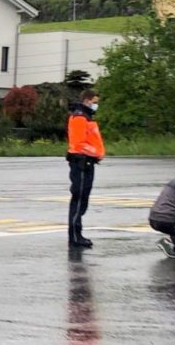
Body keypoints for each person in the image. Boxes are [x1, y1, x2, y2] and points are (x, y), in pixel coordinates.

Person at [66, 89, 104, 248]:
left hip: (87, 163)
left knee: (83, 199)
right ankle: (75, 235)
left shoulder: (87, 117)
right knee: (79, 199)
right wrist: (97, 153)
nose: (96, 105)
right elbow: (78, 144)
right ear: (87, 100)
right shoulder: (80, 117)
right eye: (95, 102)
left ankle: (77, 233)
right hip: (81, 163)